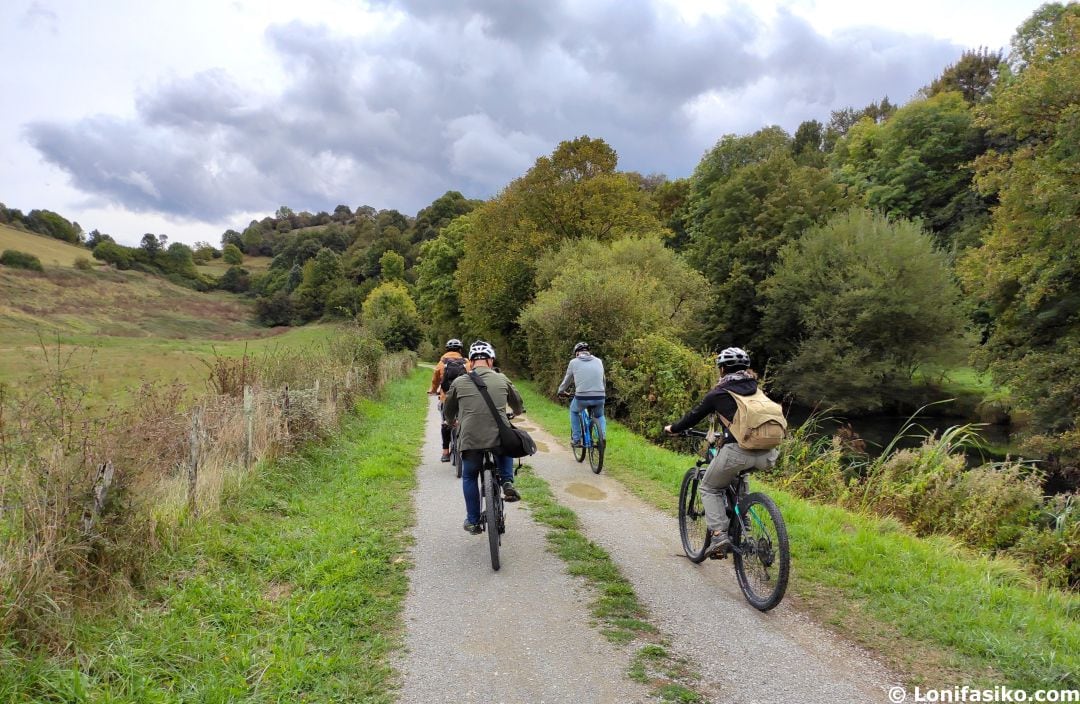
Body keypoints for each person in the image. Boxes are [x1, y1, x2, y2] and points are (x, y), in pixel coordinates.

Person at [664, 347, 778, 557]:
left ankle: (718, 535)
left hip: (738, 451)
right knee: (737, 479)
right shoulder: (756, 389)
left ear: (723, 369)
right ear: (746, 368)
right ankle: (744, 524)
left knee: (709, 487)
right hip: (768, 453)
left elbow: (694, 416)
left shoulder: (719, 393)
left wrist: (674, 428)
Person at [442, 340, 524, 535]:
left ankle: (473, 521)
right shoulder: (502, 378)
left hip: (471, 439)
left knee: (470, 475)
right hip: (497, 438)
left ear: (470, 362)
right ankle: (506, 481)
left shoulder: (460, 381)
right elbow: (518, 406)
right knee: (505, 440)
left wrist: (452, 421)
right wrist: (514, 413)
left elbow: (448, 411)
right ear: (491, 360)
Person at [556, 341, 606, 448]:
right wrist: (602, 392)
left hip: (582, 396)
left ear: (577, 353)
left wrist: (561, 391)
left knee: (574, 411)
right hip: (600, 396)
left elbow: (567, 380)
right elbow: (603, 380)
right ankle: (602, 438)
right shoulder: (598, 361)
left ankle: (577, 439)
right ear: (588, 352)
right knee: (600, 415)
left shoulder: (574, 362)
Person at [428, 338, 469, 462]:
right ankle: (468, 448)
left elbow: (435, 381)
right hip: (463, 398)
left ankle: (445, 453)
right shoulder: (466, 362)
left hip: (446, 398)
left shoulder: (441, 363)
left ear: (446, 350)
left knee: (445, 423)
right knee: (465, 421)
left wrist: (433, 390)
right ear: (460, 350)